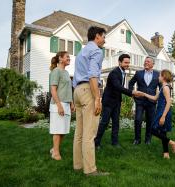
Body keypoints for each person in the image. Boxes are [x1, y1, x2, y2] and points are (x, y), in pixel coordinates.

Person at [72, 26, 109, 176]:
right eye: (103, 37)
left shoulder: (82, 52)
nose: (104, 40)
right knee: (89, 134)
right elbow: (93, 76)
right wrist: (97, 99)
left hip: (77, 91)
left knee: (79, 133)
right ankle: (90, 170)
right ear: (97, 36)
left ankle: (78, 166)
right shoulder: (96, 51)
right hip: (88, 90)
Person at [95, 54, 144, 148]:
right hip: (108, 101)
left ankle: (115, 142)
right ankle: (96, 143)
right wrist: (132, 92)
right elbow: (118, 87)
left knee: (116, 122)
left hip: (116, 101)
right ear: (119, 62)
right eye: (125, 62)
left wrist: (120, 101)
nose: (127, 64)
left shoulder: (123, 72)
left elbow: (119, 89)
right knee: (104, 122)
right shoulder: (114, 73)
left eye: (128, 63)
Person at [143, 69, 175, 159]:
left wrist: (163, 116)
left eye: (159, 76)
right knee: (163, 132)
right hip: (161, 111)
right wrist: (143, 94)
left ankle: (172, 143)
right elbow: (155, 98)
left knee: (152, 130)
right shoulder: (163, 87)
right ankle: (166, 153)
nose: (158, 77)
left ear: (163, 77)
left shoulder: (165, 88)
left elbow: (169, 102)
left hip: (163, 112)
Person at [49, 51, 75, 161]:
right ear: (60, 58)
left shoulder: (66, 73)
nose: (69, 58)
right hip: (57, 104)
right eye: (67, 57)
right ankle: (55, 153)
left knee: (63, 130)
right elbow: (53, 90)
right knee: (57, 130)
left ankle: (54, 149)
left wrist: (71, 102)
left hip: (66, 104)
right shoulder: (56, 71)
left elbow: (68, 90)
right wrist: (59, 105)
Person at [129, 57, 160, 145]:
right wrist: (132, 93)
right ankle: (137, 139)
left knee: (150, 121)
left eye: (148, 61)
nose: (146, 63)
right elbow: (131, 83)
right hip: (140, 101)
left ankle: (148, 140)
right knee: (138, 120)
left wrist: (158, 96)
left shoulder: (157, 74)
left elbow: (161, 86)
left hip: (151, 101)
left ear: (152, 64)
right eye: (145, 61)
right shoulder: (138, 73)